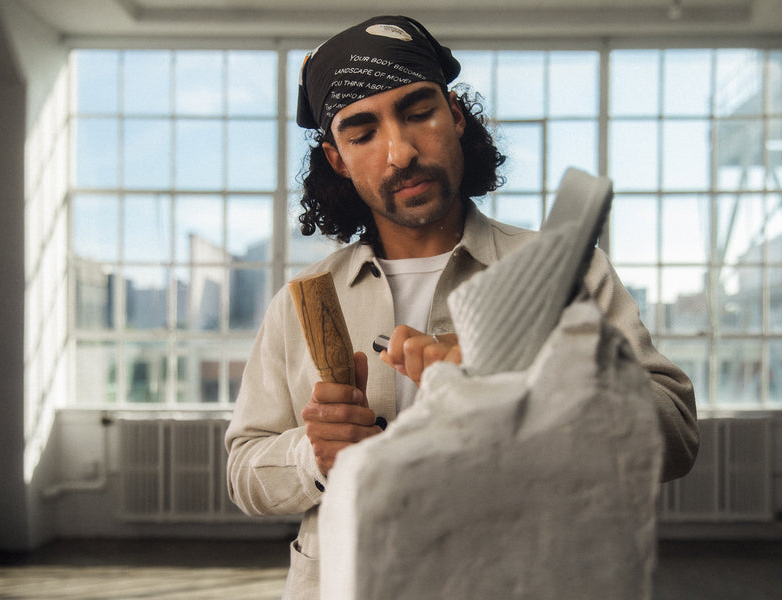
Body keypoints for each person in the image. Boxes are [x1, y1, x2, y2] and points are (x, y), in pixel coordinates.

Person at [226, 15, 698, 599]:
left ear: (455, 115)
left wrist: (523, 384)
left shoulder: (565, 270)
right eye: (362, 131)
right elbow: (243, 469)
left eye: (418, 111)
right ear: (338, 159)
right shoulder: (302, 300)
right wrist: (312, 456)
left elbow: (675, 433)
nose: (400, 152)